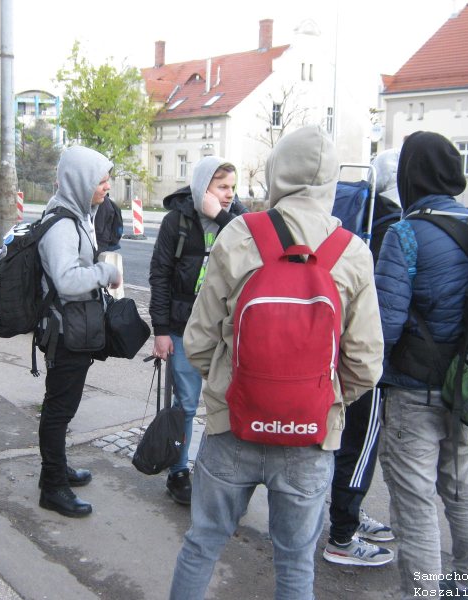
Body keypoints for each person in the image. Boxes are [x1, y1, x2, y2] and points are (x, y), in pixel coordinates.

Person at [169, 126, 384, 599]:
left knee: (202, 545)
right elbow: (366, 364)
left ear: (275, 173)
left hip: (233, 427)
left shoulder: (240, 234)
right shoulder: (352, 252)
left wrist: (234, 388)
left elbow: (198, 340)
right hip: (309, 437)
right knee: (295, 564)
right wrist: (319, 399)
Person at [375, 131, 468, 598]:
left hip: (413, 389)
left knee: (415, 502)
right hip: (466, 387)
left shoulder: (404, 234)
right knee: (462, 490)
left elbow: (385, 325)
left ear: (411, 175)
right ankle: (467, 586)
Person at [148, 156, 247, 505]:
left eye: (232, 187)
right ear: (203, 187)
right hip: (184, 328)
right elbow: (160, 275)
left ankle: (219, 473)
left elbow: (256, 249)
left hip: (226, 330)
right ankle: (178, 472)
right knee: (187, 405)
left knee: (227, 405)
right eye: (222, 187)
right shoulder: (176, 221)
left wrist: (221, 217)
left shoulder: (238, 220)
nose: (229, 194)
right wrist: (161, 330)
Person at [322, 149, 401, 568]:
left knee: (340, 440)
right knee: (359, 444)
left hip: (332, 349)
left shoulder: (354, 216)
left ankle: (344, 513)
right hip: (367, 359)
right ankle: (343, 533)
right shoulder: (393, 228)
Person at [36, 145, 122, 518]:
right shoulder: (61, 225)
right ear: (81, 181)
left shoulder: (75, 214)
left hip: (73, 325)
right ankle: (53, 488)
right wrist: (105, 272)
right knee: (59, 409)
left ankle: (55, 470)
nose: (106, 186)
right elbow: (67, 280)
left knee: (63, 406)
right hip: (64, 330)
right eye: (101, 180)